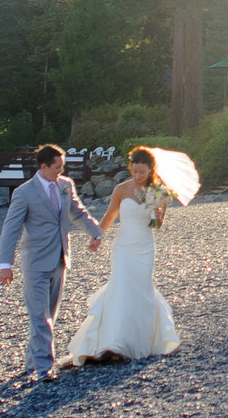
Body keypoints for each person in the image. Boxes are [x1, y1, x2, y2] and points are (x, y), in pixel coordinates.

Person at [65, 146, 181, 366]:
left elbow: (156, 225)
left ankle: (140, 339)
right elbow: (110, 216)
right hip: (123, 246)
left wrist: (157, 214)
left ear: (150, 171)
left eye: (142, 173)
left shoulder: (158, 192)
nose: (137, 177)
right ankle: (114, 342)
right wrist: (97, 236)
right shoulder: (121, 189)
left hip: (144, 246)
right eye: (134, 172)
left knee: (141, 288)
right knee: (121, 287)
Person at [0, 143, 102, 381]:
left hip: (60, 258)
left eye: (61, 167)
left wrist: (95, 232)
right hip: (34, 261)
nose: (60, 171)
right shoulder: (24, 192)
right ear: (43, 167)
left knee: (49, 315)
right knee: (39, 316)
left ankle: (31, 362)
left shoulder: (66, 186)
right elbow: (11, 228)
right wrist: (5, 265)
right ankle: (44, 368)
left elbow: (78, 212)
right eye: (57, 167)